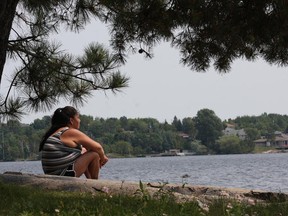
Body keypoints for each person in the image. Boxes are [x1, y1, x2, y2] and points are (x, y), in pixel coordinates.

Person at [39, 106, 108, 179]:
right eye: (78, 117)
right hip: (62, 176)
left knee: (84, 151)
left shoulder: (54, 133)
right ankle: (94, 183)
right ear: (71, 120)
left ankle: (90, 181)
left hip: (53, 174)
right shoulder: (69, 132)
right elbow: (98, 147)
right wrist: (103, 158)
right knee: (94, 154)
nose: (79, 120)